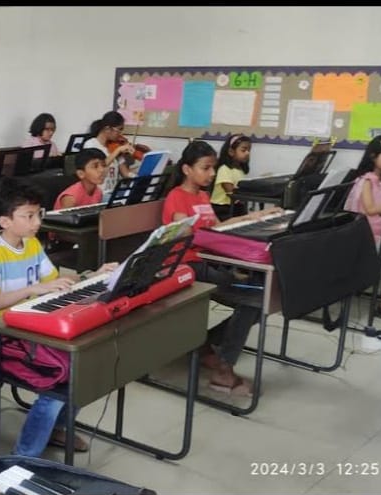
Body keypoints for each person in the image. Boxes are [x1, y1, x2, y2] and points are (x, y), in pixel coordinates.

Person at [0, 177, 116, 456]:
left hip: (32, 329)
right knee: (57, 387)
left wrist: (93, 274)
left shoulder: (31, 244)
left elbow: (55, 282)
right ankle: (24, 457)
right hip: (2, 339)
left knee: (82, 369)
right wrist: (32, 289)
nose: (36, 222)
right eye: (28, 216)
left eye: (38, 214)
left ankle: (56, 429)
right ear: (5, 221)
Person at [162, 140, 282, 397]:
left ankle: (205, 345)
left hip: (207, 261)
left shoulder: (203, 195)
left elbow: (216, 227)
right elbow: (187, 235)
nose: (212, 173)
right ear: (186, 169)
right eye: (205, 168)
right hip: (188, 266)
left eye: (213, 168)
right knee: (257, 299)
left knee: (263, 297)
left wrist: (250, 218)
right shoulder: (176, 197)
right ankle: (223, 369)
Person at [343, 135, 381, 324]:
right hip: (366, 237)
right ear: (374, 156)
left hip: (379, 232)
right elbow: (370, 209)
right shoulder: (367, 180)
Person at [83, 111, 136, 200]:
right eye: (119, 129)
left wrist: (141, 172)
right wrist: (118, 150)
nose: (120, 134)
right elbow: (99, 167)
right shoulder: (90, 144)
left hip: (114, 191)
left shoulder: (114, 146)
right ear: (107, 129)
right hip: (100, 193)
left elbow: (126, 173)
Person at [211, 134, 252, 221]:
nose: (247, 153)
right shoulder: (224, 169)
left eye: (249, 150)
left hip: (235, 206)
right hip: (222, 208)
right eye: (243, 150)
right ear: (231, 152)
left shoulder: (240, 170)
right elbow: (230, 192)